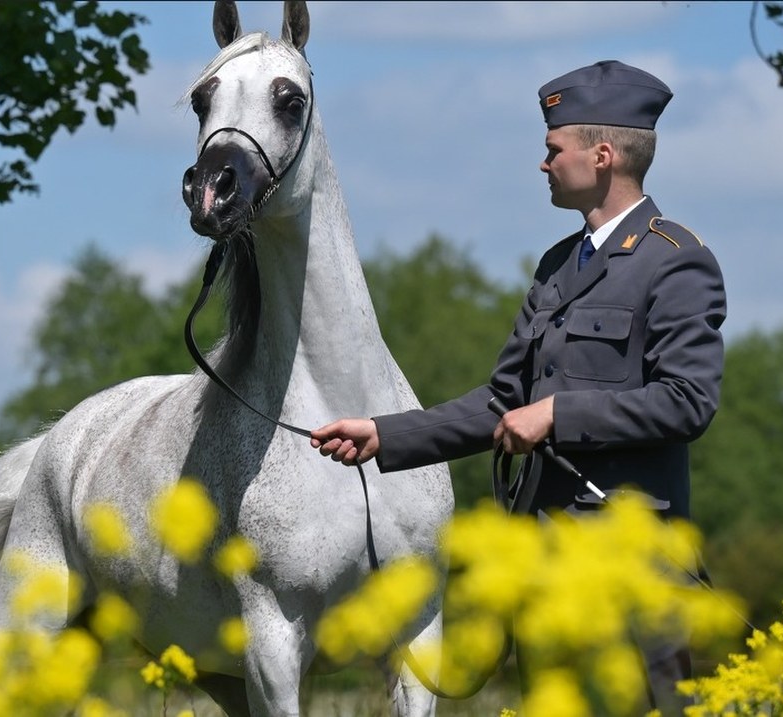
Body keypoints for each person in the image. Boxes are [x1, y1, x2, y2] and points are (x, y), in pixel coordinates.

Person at [310, 60, 726, 713]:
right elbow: (503, 403)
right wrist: (383, 435)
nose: (543, 164)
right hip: (542, 567)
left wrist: (558, 413)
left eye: (552, 150)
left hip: (633, 573)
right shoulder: (557, 266)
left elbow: (688, 400)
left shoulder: (675, 260)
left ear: (604, 155)